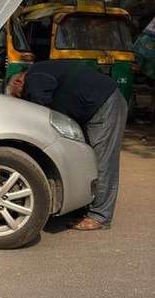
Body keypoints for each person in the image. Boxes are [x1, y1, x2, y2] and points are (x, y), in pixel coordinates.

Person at [7, 61, 128, 230]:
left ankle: (100, 216)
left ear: (18, 82)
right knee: (87, 160)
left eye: (17, 96)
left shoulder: (35, 77)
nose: (21, 100)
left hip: (104, 105)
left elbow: (38, 110)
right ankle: (85, 207)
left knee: (102, 161)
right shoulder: (41, 72)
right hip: (94, 106)